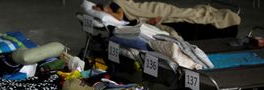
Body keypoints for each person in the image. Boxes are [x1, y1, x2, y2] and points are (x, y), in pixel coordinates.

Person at [92, 0, 240, 30]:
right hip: (146, 16)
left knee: (183, 14)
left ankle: (221, 15)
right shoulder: (109, 9)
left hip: (155, 9)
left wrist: (108, 12)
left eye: (100, 9)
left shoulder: (114, 4)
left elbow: (120, 15)